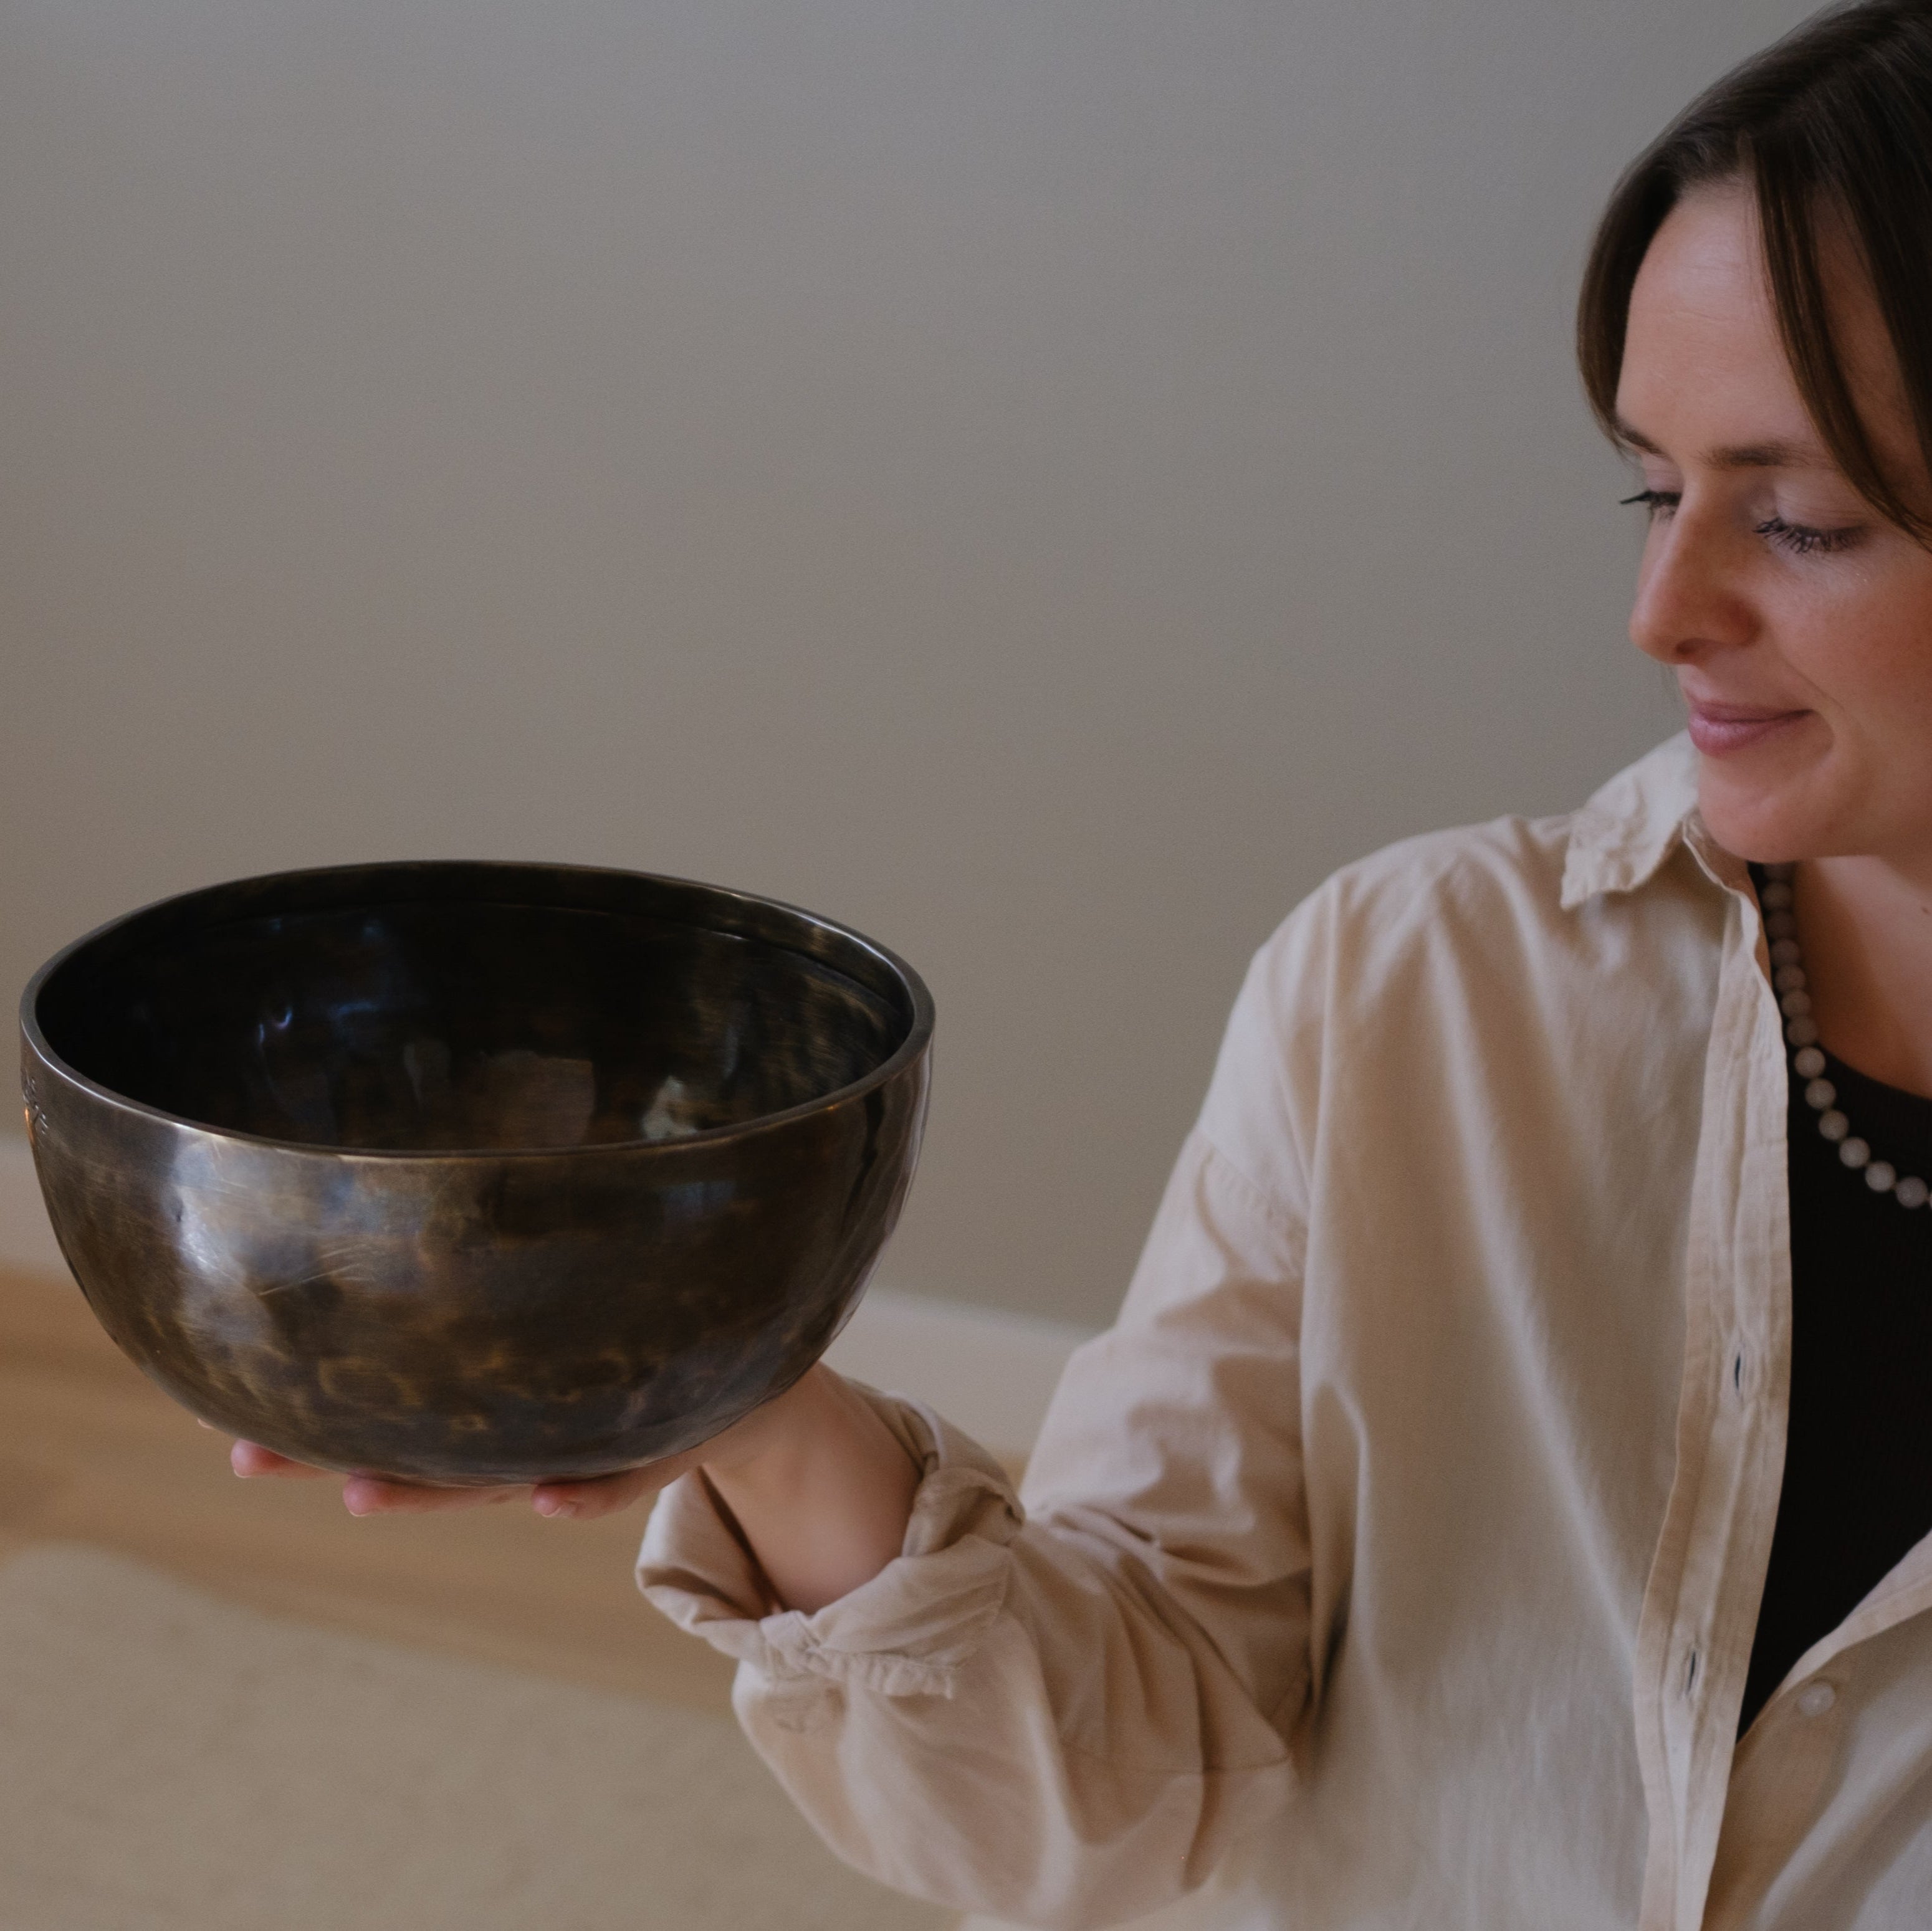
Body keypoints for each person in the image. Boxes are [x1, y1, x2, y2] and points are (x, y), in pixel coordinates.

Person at [229, 5, 1932, 1924]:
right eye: (1651, 489)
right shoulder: (1414, 988)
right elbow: (1104, 1783)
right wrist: (750, 1404)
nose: (1658, 609)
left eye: (1799, 521)